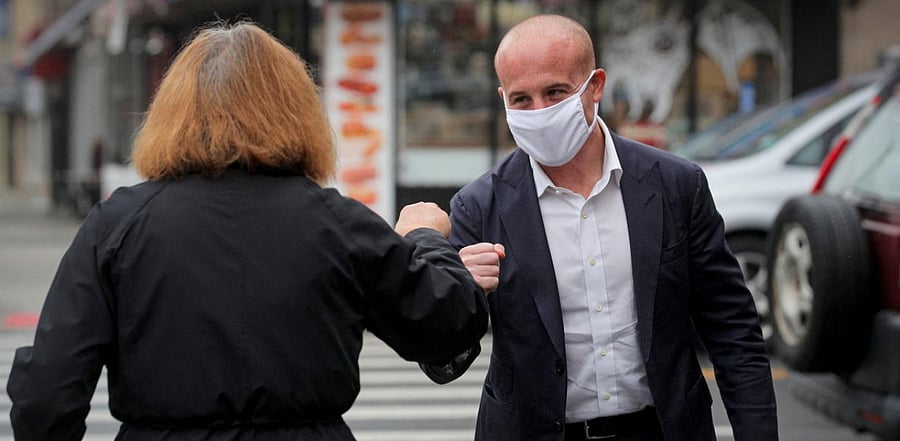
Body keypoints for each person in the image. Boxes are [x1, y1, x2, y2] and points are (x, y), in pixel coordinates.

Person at [7, 21, 489, 441]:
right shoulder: (336, 222)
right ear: (297, 111)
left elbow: (47, 391)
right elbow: (446, 329)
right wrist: (424, 238)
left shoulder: (117, 225)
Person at [421, 14, 778, 441]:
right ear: (503, 99)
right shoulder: (479, 205)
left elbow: (733, 329)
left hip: (660, 429)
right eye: (521, 99)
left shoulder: (674, 185)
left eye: (555, 92)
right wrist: (458, 293)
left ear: (595, 86)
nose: (540, 111)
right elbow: (443, 364)